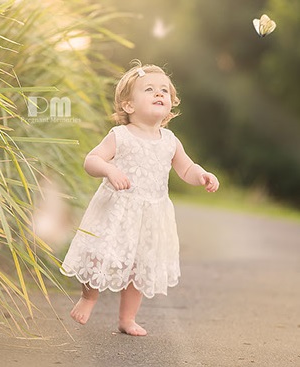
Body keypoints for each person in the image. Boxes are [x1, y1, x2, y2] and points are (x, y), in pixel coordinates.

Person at [60, 62, 219, 336]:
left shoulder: (170, 140)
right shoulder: (120, 136)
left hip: (151, 215)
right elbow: (91, 160)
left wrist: (202, 175)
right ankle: (88, 298)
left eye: (164, 91)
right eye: (149, 90)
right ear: (129, 105)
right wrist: (109, 170)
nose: (159, 94)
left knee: (138, 266)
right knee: (101, 256)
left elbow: (186, 168)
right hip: (117, 211)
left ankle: (127, 318)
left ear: (171, 103)